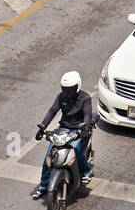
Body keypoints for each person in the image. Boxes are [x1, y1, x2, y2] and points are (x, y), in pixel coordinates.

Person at [31, 70, 93, 200]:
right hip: (63, 129)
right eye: (65, 89)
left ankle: (87, 171)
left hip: (77, 130)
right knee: (49, 156)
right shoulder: (61, 97)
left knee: (74, 150)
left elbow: (87, 115)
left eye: (70, 89)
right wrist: (42, 127)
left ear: (77, 86)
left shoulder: (85, 98)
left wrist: (85, 128)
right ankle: (43, 186)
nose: (67, 92)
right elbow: (52, 111)